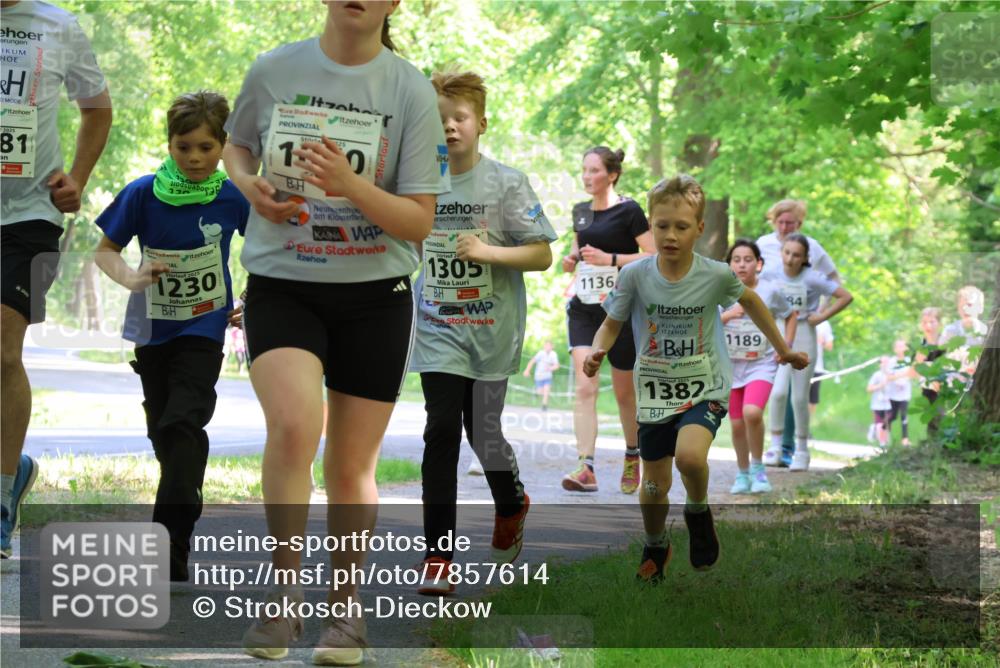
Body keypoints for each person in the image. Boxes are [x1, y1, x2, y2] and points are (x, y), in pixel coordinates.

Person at [222, 1, 449, 662]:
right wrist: (249, 185)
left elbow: (417, 221)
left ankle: (344, 613)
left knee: (350, 467)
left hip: (374, 295)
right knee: (295, 426)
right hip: (283, 282)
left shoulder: (409, 90)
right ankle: (282, 600)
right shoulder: (275, 69)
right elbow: (238, 145)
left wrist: (350, 184)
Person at [583, 175, 807, 582]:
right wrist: (599, 350)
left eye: (681, 227)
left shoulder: (714, 275)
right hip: (654, 389)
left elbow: (753, 301)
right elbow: (611, 323)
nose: (670, 235)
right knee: (654, 485)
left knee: (689, 457)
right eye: (662, 225)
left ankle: (698, 509)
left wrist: (783, 349)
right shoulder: (635, 276)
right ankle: (655, 547)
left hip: (705, 385)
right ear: (651, 224)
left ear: (699, 229)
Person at [408, 70, 555, 595]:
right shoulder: (417, 180)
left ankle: (511, 501)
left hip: (492, 328)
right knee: (441, 429)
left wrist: (488, 251)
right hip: (437, 327)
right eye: (439, 119)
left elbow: (542, 253)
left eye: (459, 118)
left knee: (484, 435)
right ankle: (438, 556)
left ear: (481, 124)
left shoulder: (506, 182)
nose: (449, 127)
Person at [94, 91, 248, 581]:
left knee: (184, 422)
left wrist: (251, 297)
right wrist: (133, 278)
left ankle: (171, 541)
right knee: (164, 431)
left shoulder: (234, 195)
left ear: (223, 145)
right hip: (152, 328)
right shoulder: (143, 192)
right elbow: (105, 252)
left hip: (204, 327)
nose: (195, 157)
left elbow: (268, 248)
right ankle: (187, 488)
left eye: (206, 146)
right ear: (169, 144)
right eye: (184, 147)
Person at [1, 0, 112, 559]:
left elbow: (98, 110)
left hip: (27, 216)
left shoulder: (59, 25)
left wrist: (78, 179)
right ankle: (13, 468)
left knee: (2, 352)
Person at [561, 146, 654, 493]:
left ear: (612, 175)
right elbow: (577, 250)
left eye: (594, 170)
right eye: (584, 170)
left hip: (621, 313)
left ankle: (633, 456)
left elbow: (653, 255)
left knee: (624, 393)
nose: (587, 177)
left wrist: (610, 259)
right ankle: (586, 467)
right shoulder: (580, 213)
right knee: (586, 386)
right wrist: (571, 260)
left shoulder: (629, 211)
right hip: (585, 309)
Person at [756, 199, 840, 466]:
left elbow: (835, 282)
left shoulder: (811, 247)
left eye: (790, 223)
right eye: (780, 222)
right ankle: (777, 447)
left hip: (804, 324)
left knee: (799, 394)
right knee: (778, 391)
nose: (784, 227)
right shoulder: (764, 246)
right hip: (776, 325)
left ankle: (798, 449)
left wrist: (821, 315)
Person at [721, 239, 796, 495]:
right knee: (737, 423)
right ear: (729, 265)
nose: (742, 265)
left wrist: (785, 346)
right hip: (731, 365)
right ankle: (742, 473)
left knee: (752, 413)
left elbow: (791, 314)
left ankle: (758, 468)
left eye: (748, 259)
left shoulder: (769, 291)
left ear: (759, 264)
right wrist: (727, 315)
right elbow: (705, 321)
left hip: (761, 363)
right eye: (736, 260)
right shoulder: (721, 291)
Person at [941, 285, 988, 381]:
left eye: (970, 305)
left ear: (980, 308)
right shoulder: (949, 331)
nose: (966, 309)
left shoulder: (988, 333)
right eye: (962, 306)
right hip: (954, 385)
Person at [886, 338, 913, 446]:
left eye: (903, 346)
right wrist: (899, 377)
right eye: (898, 346)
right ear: (894, 349)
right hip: (893, 394)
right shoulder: (892, 362)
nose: (901, 349)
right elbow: (889, 376)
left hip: (905, 394)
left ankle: (905, 439)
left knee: (904, 415)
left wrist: (904, 377)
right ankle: (884, 431)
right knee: (893, 416)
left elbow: (911, 374)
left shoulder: (908, 361)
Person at [523, 341, 560, 411]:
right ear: (544, 346)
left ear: (552, 347)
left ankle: (544, 405)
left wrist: (550, 368)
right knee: (540, 392)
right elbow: (532, 361)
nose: (548, 347)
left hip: (548, 376)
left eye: (549, 346)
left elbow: (557, 366)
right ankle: (536, 392)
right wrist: (527, 370)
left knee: (547, 390)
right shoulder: (540, 353)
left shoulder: (553, 354)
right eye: (546, 346)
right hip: (539, 376)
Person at [866, 357, 894, 449]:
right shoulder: (876, 375)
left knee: (886, 425)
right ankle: (882, 444)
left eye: (887, 362)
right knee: (879, 424)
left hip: (889, 404)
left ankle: (883, 441)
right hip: (877, 404)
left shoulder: (892, 375)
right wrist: (880, 385)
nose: (885, 364)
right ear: (880, 364)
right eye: (883, 362)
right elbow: (869, 388)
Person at [809, 320, 834, 421]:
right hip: (799, 365)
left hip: (817, 367)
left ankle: (806, 427)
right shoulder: (798, 316)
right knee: (799, 397)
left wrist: (822, 340)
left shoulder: (824, 323)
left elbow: (830, 346)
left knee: (812, 399)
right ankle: (796, 426)